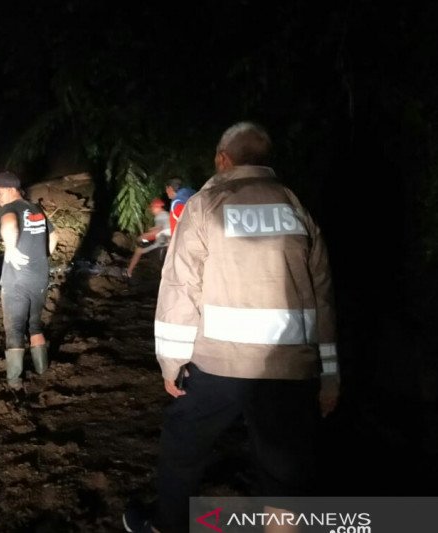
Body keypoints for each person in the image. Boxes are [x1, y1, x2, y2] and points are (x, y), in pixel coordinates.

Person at [124, 122, 339, 533]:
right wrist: (329, 375)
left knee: (182, 450)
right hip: (288, 369)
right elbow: (322, 295)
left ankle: (167, 525)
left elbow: (180, 286)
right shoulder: (297, 207)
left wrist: (171, 361)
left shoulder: (207, 205)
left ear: (224, 159)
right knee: (283, 477)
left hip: (218, 366)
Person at [0, 171, 58, 390]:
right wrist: (43, 255)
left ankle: (14, 383)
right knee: (35, 325)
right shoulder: (36, 209)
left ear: (11, 190)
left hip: (16, 280)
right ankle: (42, 369)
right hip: (39, 277)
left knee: (14, 330)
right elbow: (54, 235)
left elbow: (9, 224)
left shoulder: (9, 209)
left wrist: (10, 249)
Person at [125, 198, 171, 279]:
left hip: (160, 244)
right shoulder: (166, 214)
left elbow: (157, 231)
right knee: (144, 242)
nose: (152, 210)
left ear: (157, 207)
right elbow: (161, 229)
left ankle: (128, 272)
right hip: (166, 241)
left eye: (153, 208)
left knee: (138, 250)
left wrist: (143, 236)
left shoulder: (159, 216)